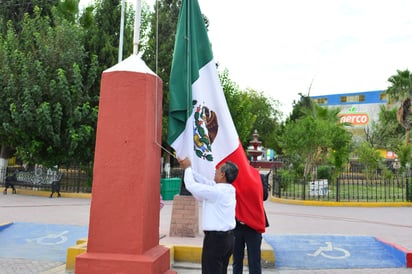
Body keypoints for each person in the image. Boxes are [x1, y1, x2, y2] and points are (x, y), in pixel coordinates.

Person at [178, 157, 238, 274]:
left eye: (218, 169)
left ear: (223, 175)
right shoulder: (228, 189)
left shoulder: (217, 192)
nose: (216, 170)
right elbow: (206, 182)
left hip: (216, 240)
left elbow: (191, 186)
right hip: (227, 239)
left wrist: (188, 169)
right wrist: (188, 170)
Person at [232, 168, 267, 274]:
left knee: (254, 261)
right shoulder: (234, 179)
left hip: (254, 225)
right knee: (237, 260)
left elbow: (264, 196)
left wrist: (254, 183)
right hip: (237, 225)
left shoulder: (259, 177)